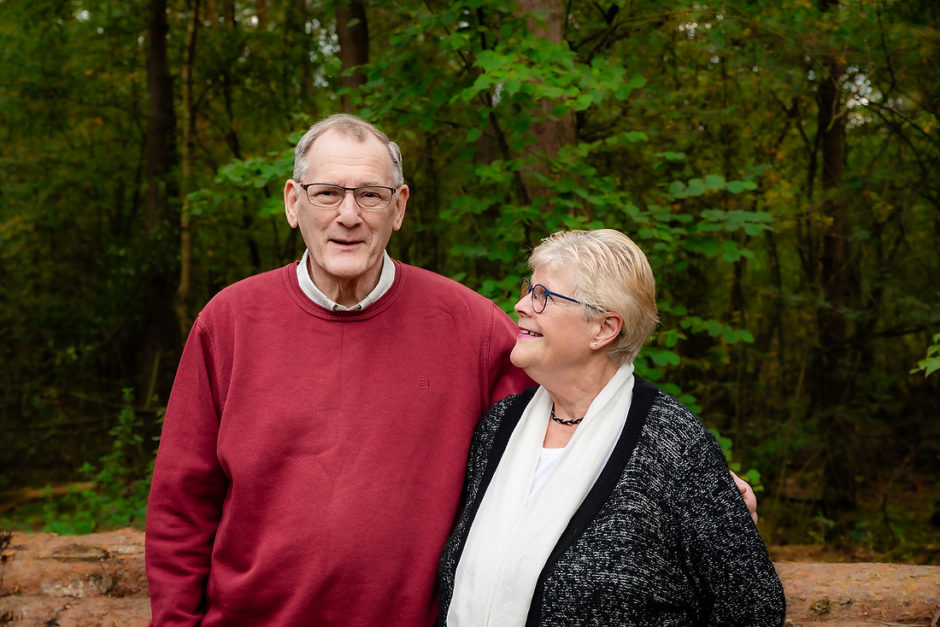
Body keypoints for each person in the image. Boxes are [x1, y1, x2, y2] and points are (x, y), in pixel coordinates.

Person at [145, 114, 760, 626]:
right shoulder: (229, 322)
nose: (348, 215)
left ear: (399, 207)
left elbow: (571, 412)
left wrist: (697, 486)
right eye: (328, 193)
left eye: (371, 195)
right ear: (293, 202)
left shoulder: (468, 324)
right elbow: (181, 503)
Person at [437, 229, 785, 626]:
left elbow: (754, 607)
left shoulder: (673, 445)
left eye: (543, 296)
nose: (520, 305)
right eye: (528, 289)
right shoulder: (498, 429)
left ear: (603, 329)